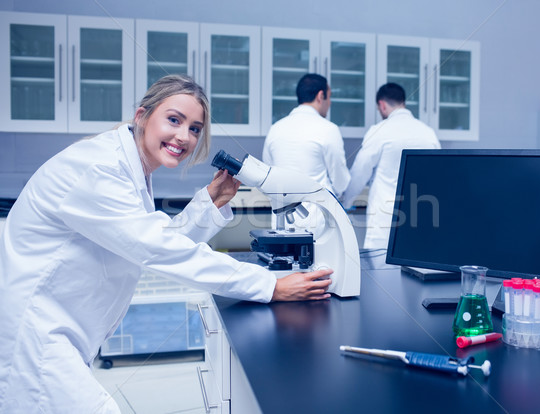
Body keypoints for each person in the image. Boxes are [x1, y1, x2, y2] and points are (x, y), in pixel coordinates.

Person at [0, 74, 332, 413]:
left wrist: (209, 202)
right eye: (174, 120)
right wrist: (270, 286)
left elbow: (152, 243)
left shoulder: (131, 167)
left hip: (60, 331)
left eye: (195, 128)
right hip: (34, 333)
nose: (184, 136)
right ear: (142, 116)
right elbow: (159, 249)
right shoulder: (100, 168)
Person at [342, 83, 441, 250]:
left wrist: (346, 202)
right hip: (422, 215)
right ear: (403, 101)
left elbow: (360, 172)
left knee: (380, 272)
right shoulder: (428, 133)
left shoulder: (380, 130)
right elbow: (438, 174)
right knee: (415, 271)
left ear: (382, 104)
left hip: (385, 219)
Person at [263, 74, 350, 232]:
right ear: (320, 95)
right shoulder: (328, 129)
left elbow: (268, 177)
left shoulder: (275, 129)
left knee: (281, 258)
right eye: (329, 97)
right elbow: (341, 182)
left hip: (281, 224)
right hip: (317, 225)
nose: (329, 103)